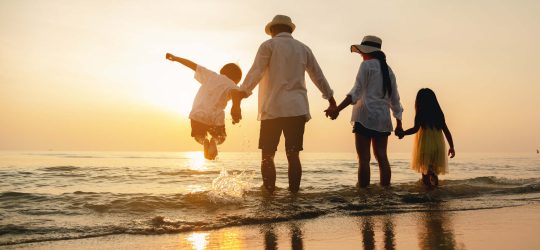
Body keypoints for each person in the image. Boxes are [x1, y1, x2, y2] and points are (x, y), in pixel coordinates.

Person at [231, 15, 336, 194]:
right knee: (293, 155)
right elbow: (317, 75)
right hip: (296, 109)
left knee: (267, 155)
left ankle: (269, 195)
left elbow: (255, 72)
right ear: (290, 30)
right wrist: (331, 100)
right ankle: (294, 196)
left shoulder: (268, 45)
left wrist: (240, 97)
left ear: (272, 30)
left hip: (272, 109)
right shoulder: (303, 48)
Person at [326, 35, 403, 188]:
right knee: (382, 157)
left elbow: (356, 91)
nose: (360, 54)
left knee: (363, 159)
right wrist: (399, 123)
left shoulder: (366, 66)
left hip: (365, 117)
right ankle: (385, 193)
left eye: (362, 52)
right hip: (382, 119)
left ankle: (363, 194)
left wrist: (337, 109)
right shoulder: (389, 70)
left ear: (368, 52)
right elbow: (395, 99)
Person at [165, 53, 242, 160]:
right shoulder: (233, 85)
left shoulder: (211, 75)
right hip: (215, 117)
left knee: (198, 136)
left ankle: (204, 141)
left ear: (222, 71)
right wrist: (236, 107)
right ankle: (214, 141)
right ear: (237, 79)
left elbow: (193, 65)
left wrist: (176, 58)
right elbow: (235, 93)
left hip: (197, 114)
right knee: (221, 138)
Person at [396, 88, 455, 187]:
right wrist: (451, 147)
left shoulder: (420, 114)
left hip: (425, 147)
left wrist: (403, 133)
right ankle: (435, 190)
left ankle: (428, 193)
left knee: (425, 172)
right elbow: (447, 132)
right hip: (438, 147)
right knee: (433, 171)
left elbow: (415, 129)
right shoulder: (439, 114)